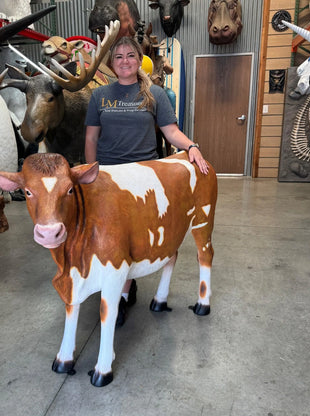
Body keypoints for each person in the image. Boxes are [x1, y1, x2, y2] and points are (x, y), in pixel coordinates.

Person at [84, 36, 209, 327]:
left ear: (140, 60)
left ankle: (122, 295)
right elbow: (91, 137)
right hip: (109, 178)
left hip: (144, 176)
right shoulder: (99, 96)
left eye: (130, 56)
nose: (125, 61)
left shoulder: (154, 93)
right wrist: (91, 174)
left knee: (136, 236)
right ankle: (121, 290)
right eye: (119, 57)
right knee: (110, 238)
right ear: (112, 64)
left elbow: (170, 132)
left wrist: (191, 146)